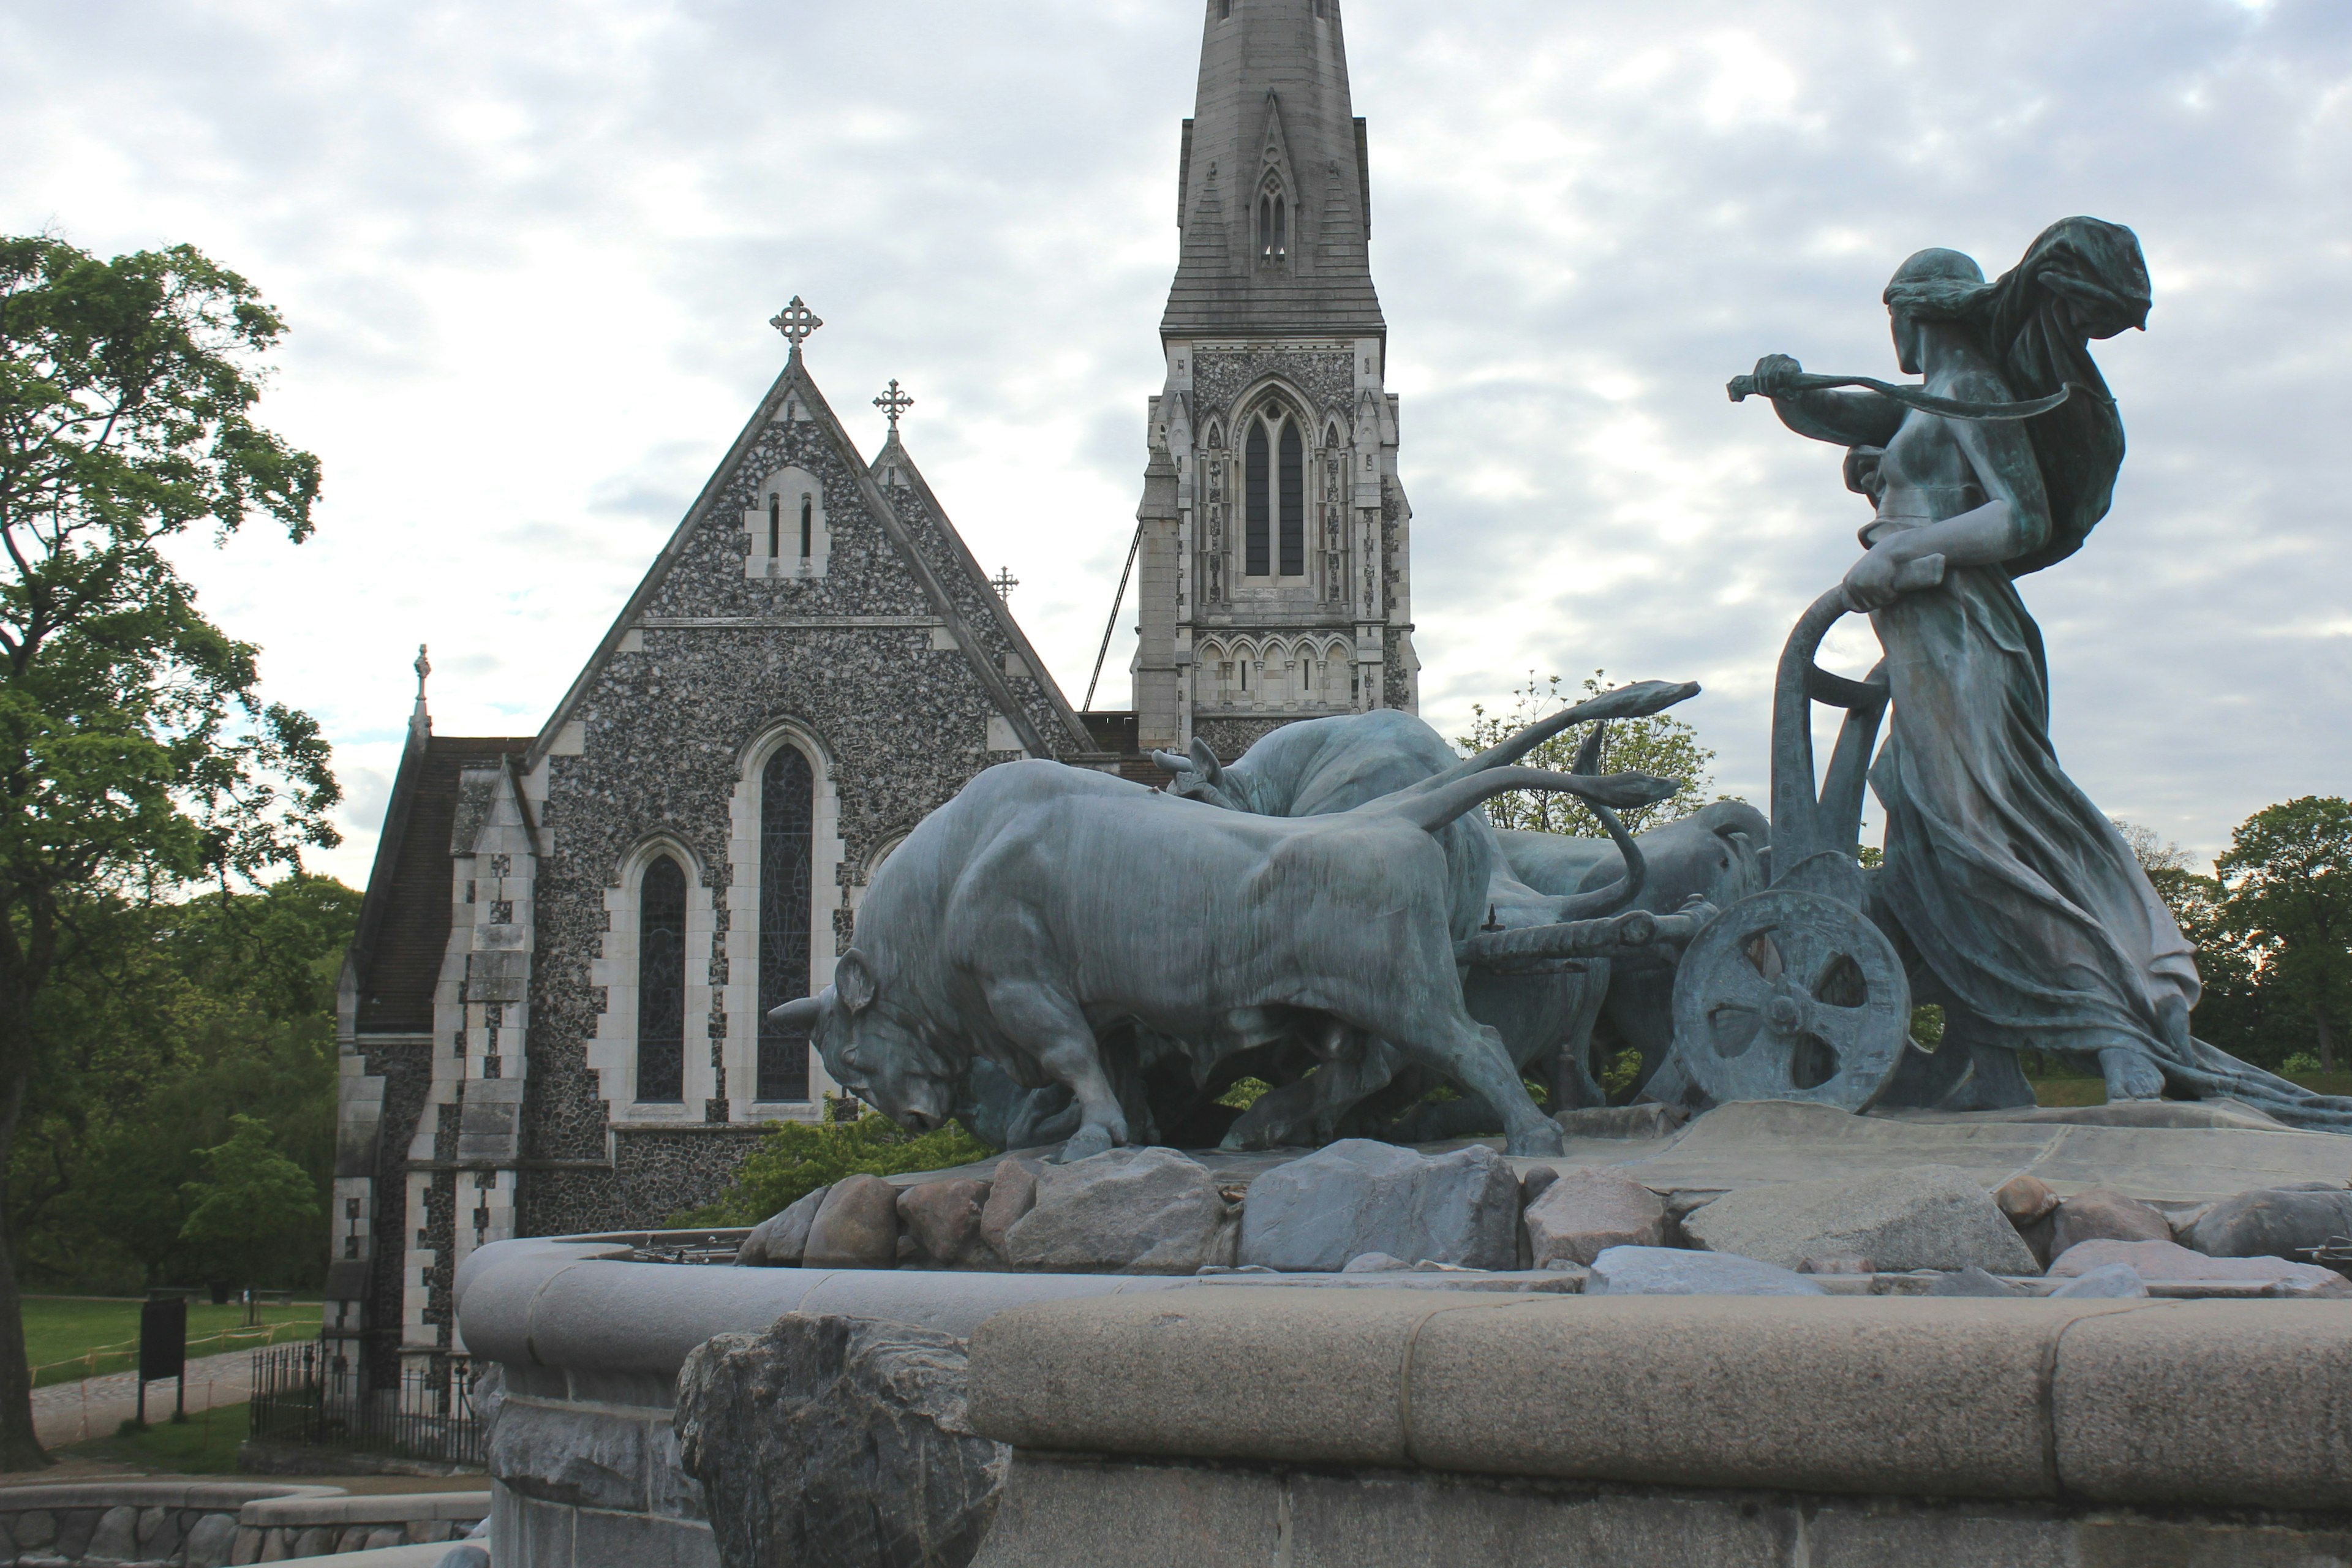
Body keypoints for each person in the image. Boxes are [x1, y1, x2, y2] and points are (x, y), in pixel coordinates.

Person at [1744, 218, 2350, 1128]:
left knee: (1979, 831)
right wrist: (1788, 395)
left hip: (1961, 632)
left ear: (1912, 316)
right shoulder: (1935, 397)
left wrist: (1910, 553)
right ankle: (1991, 1062)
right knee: (1917, 835)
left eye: (1893, 319)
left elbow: (2019, 520)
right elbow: (1856, 414)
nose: (1891, 343)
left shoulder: (1975, 391)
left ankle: (2119, 1028)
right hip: (1922, 636)